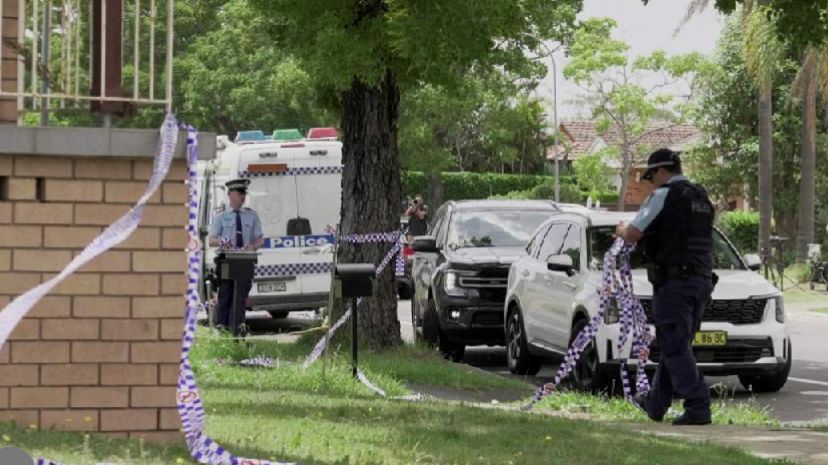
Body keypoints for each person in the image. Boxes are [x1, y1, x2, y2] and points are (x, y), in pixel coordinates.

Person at [616, 148, 716, 426]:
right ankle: (655, 404)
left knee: (673, 344)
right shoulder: (700, 197)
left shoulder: (664, 195)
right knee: (676, 344)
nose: (651, 184)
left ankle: (698, 405)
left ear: (661, 171)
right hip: (701, 281)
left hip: (675, 283)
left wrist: (622, 229)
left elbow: (634, 233)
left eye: (651, 177)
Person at [208, 179, 264, 335]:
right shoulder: (221, 216)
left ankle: (238, 333)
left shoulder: (251, 216)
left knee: (240, 299)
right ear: (230, 195)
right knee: (225, 296)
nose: (242, 197)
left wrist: (253, 246)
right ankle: (223, 332)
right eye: (239, 193)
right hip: (227, 262)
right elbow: (211, 240)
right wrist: (222, 242)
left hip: (244, 262)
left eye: (244, 194)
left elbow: (260, 239)